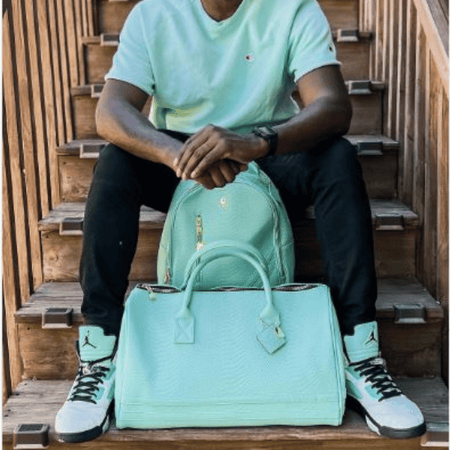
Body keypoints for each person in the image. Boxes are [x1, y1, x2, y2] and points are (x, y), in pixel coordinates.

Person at [55, 0, 426, 442]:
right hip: (182, 158)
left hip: (267, 151)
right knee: (115, 162)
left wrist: (257, 142)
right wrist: (178, 155)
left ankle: (360, 354)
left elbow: (333, 106)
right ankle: (99, 355)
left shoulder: (292, 9)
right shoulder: (153, 13)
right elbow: (110, 111)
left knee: (338, 158)